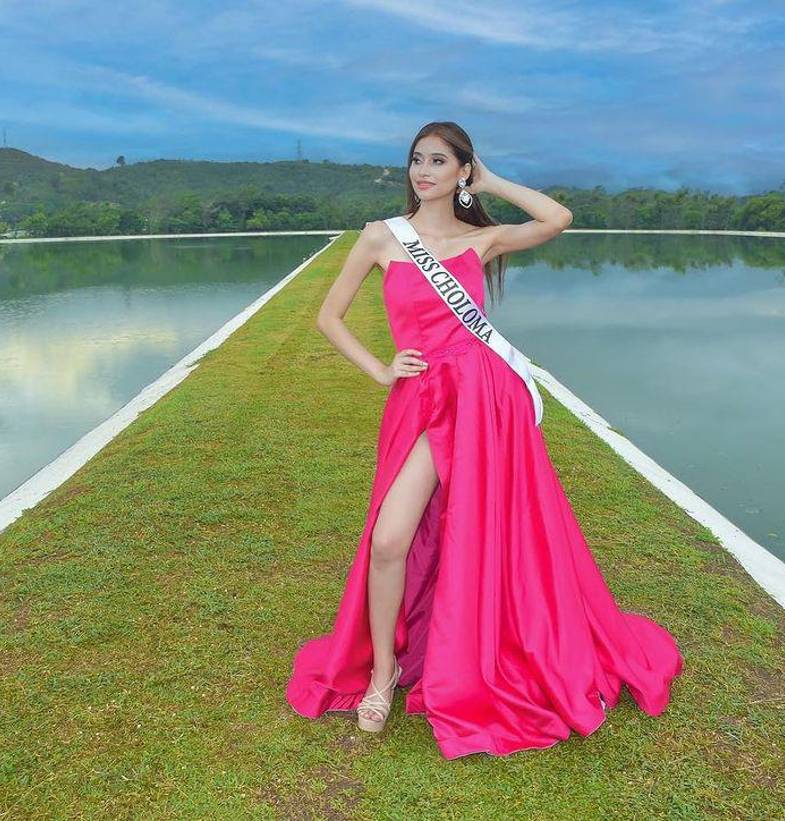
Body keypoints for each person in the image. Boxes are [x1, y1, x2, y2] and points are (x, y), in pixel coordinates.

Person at [284, 121, 683, 759]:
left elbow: (557, 218)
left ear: (461, 171)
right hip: (421, 402)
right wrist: (381, 369)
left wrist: (492, 181)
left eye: (438, 161)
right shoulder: (381, 236)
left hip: (484, 402)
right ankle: (383, 671)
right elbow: (329, 317)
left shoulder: (483, 239)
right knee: (389, 540)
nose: (423, 172)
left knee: (485, 533)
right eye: (417, 160)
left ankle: (480, 649)